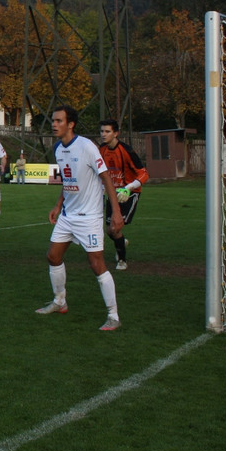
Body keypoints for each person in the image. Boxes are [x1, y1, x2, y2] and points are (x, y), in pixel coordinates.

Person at [36, 105, 124, 331]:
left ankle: (113, 315)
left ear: (70, 124)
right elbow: (67, 182)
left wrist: (115, 212)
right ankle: (60, 302)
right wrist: (58, 205)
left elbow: (106, 179)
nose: (54, 124)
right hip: (68, 215)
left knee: (96, 264)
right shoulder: (58, 148)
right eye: (53, 121)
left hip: (89, 217)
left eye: (58, 121)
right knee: (53, 256)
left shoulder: (87, 147)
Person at [99, 119, 149, 271]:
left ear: (116, 133)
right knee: (110, 230)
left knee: (115, 228)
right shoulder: (102, 150)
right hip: (113, 194)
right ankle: (121, 242)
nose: (103, 134)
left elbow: (144, 174)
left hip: (129, 193)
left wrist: (128, 188)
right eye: (102, 131)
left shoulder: (127, 151)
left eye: (107, 131)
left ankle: (122, 261)